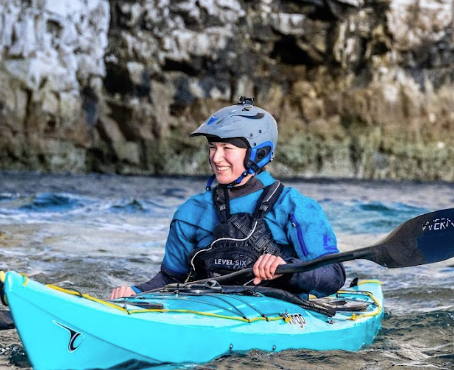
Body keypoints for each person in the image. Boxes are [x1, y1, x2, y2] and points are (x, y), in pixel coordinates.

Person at [110, 97, 345, 299]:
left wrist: (289, 269)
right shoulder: (191, 212)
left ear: (258, 153)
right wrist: (136, 292)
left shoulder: (296, 207)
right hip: (210, 312)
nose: (216, 157)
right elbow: (171, 278)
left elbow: (333, 276)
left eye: (227, 147)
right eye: (213, 147)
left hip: (280, 314)